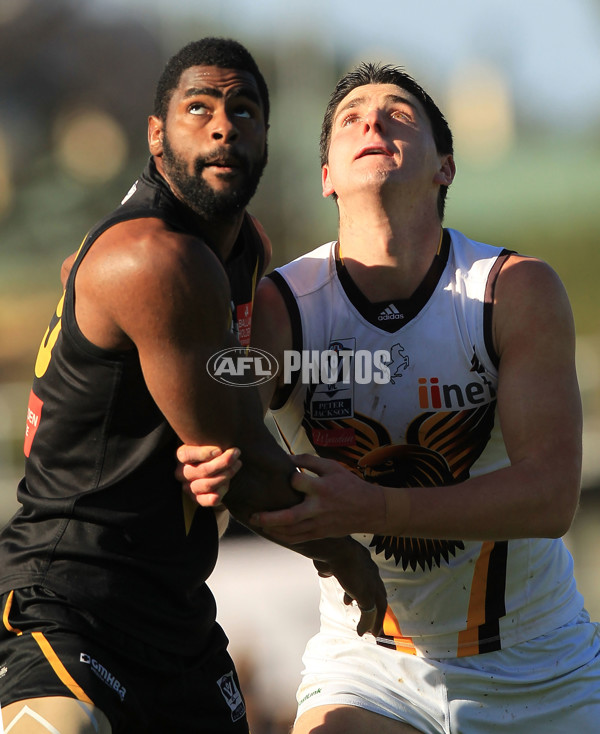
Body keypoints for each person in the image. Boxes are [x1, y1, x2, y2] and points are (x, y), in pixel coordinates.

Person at [178, 62, 600, 732]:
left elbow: (550, 497)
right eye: (351, 117)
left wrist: (375, 506)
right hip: (370, 664)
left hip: (540, 663)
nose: (372, 120)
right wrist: (205, 465)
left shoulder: (513, 289)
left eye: (398, 111)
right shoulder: (279, 308)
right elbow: (216, 436)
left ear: (446, 168)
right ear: (327, 177)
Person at [0, 40, 386, 734]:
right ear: (155, 134)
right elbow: (239, 462)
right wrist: (344, 550)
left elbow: (230, 420)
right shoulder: (155, 258)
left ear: (268, 136)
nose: (223, 126)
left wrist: (228, 435)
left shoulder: (245, 249)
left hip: (176, 610)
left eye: (244, 110)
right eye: (198, 108)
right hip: (70, 597)